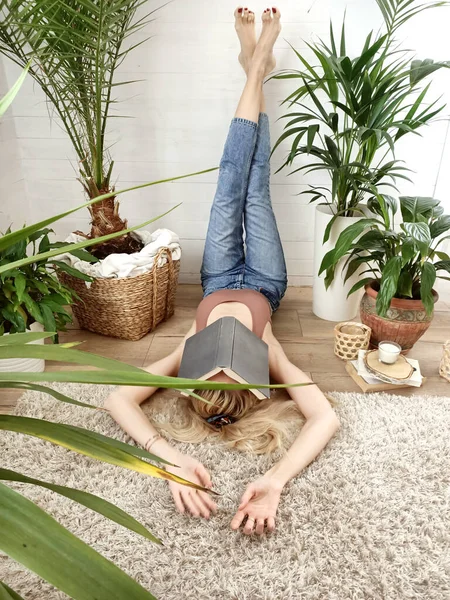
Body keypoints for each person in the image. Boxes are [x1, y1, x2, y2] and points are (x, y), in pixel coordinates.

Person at [105, 7, 340, 536]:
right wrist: (276, 480)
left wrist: (165, 458)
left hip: (217, 278)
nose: (224, 345)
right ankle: (256, 69)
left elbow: (117, 396)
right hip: (262, 278)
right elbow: (324, 418)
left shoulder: (187, 358)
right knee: (253, 185)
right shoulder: (269, 359)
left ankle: (254, 69)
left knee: (228, 181)